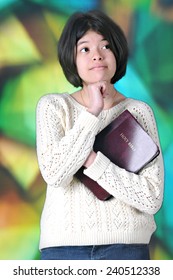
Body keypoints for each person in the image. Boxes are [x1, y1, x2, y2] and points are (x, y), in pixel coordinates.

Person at [36, 10, 164, 260]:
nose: (97, 54)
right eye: (84, 49)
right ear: (70, 58)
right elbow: (56, 174)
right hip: (63, 250)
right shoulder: (53, 106)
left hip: (127, 250)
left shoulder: (139, 111)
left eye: (105, 46)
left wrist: (94, 162)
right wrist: (92, 113)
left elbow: (151, 199)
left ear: (116, 53)